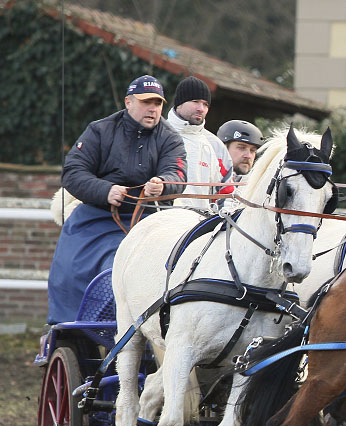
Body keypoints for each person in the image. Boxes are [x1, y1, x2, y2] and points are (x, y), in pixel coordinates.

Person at [47, 74, 186, 324]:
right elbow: (73, 173)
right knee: (71, 267)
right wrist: (105, 190)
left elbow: (177, 173)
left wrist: (163, 185)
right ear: (128, 102)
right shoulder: (99, 130)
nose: (153, 109)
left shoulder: (170, 137)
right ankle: (78, 322)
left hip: (149, 220)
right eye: (146, 102)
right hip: (98, 216)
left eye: (158, 104)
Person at [166, 76, 232, 209]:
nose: (201, 108)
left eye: (205, 104)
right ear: (179, 104)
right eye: (195, 101)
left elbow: (225, 191)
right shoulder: (159, 135)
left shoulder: (213, 144)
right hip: (163, 221)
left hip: (199, 225)